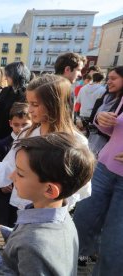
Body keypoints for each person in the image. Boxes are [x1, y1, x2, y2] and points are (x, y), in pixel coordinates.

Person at [0, 133, 95, 275]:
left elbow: (27, 249)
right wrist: (5, 231)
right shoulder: (62, 217)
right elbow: (27, 237)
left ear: (49, 189)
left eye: (21, 173)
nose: (11, 176)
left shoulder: (34, 246)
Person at [0, 74, 92, 211]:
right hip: (25, 200)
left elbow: (77, 182)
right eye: (29, 103)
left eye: (35, 104)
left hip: (50, 209)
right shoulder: (27, 132)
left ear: (54, 105)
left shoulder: (75, 142)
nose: (30, 109)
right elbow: (11, 161)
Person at [73, 66, 123, 274]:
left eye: (113, 78)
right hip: (104, 168)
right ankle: (68, 262)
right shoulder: (116, 98)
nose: (109, 82)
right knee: (81, 221)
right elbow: (113, 130)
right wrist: (101, 121)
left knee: (114, 246)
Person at [0, 103, 31, 227]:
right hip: (4, 196)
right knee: (3, 224)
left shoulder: (33, 143)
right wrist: (1, 185)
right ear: (10, 123)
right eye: (16, 125)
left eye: (25, 125)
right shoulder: (3, 145)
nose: (20, 129)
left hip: (23, 194)